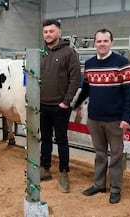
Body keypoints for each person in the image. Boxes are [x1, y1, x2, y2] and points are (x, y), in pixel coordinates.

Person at [73, 28, 130, 204]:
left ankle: (115, 189)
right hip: (94, 118)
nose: (102, 44)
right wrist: (77, 105)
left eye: (105, 41)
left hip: (115, 119)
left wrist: (126, 117)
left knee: (116, 155)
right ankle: (99, 184)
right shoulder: (90, 64)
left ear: (111, 43)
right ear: (94, 44)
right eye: (99, 41)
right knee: (100, 153)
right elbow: (86, 88)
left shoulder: (122, 63)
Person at [39, 19, 81, 193]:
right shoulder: (41, 53)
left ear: (59, 33)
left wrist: (66, 101)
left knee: (62, 139)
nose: (48, 34)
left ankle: (64, 172)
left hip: (60, 106)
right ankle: (45, 168)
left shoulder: (69, 53)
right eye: (45, 32)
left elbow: (75, 78)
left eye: (51, 31)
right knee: (45, 138)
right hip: (43, 104)